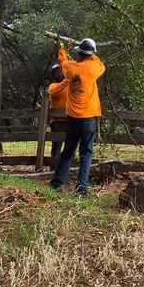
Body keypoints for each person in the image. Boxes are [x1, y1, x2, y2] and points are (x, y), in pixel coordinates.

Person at [50, 37, 105, 195]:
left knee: (67, 151)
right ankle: (81, 188)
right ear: (90, 55)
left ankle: (57, 183)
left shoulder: (69, 68)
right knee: (86, 153)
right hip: (88, 118)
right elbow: (100, 63)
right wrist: (91, 53)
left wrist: (62, 48)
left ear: (79, 53)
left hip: (73, 117)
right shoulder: (94, 68)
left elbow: (62, 61)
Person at [47, 64, 69, 162]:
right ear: (54, 74)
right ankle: (53, 165)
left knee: (70, 145)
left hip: (70, 120)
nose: (60, 73)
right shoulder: (53, 86)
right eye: (58, 72)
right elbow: (53, 93)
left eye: (62, 71)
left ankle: (68, 167)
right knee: (57, 144)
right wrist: (67, 80)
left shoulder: (70, 85)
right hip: (57, 121)